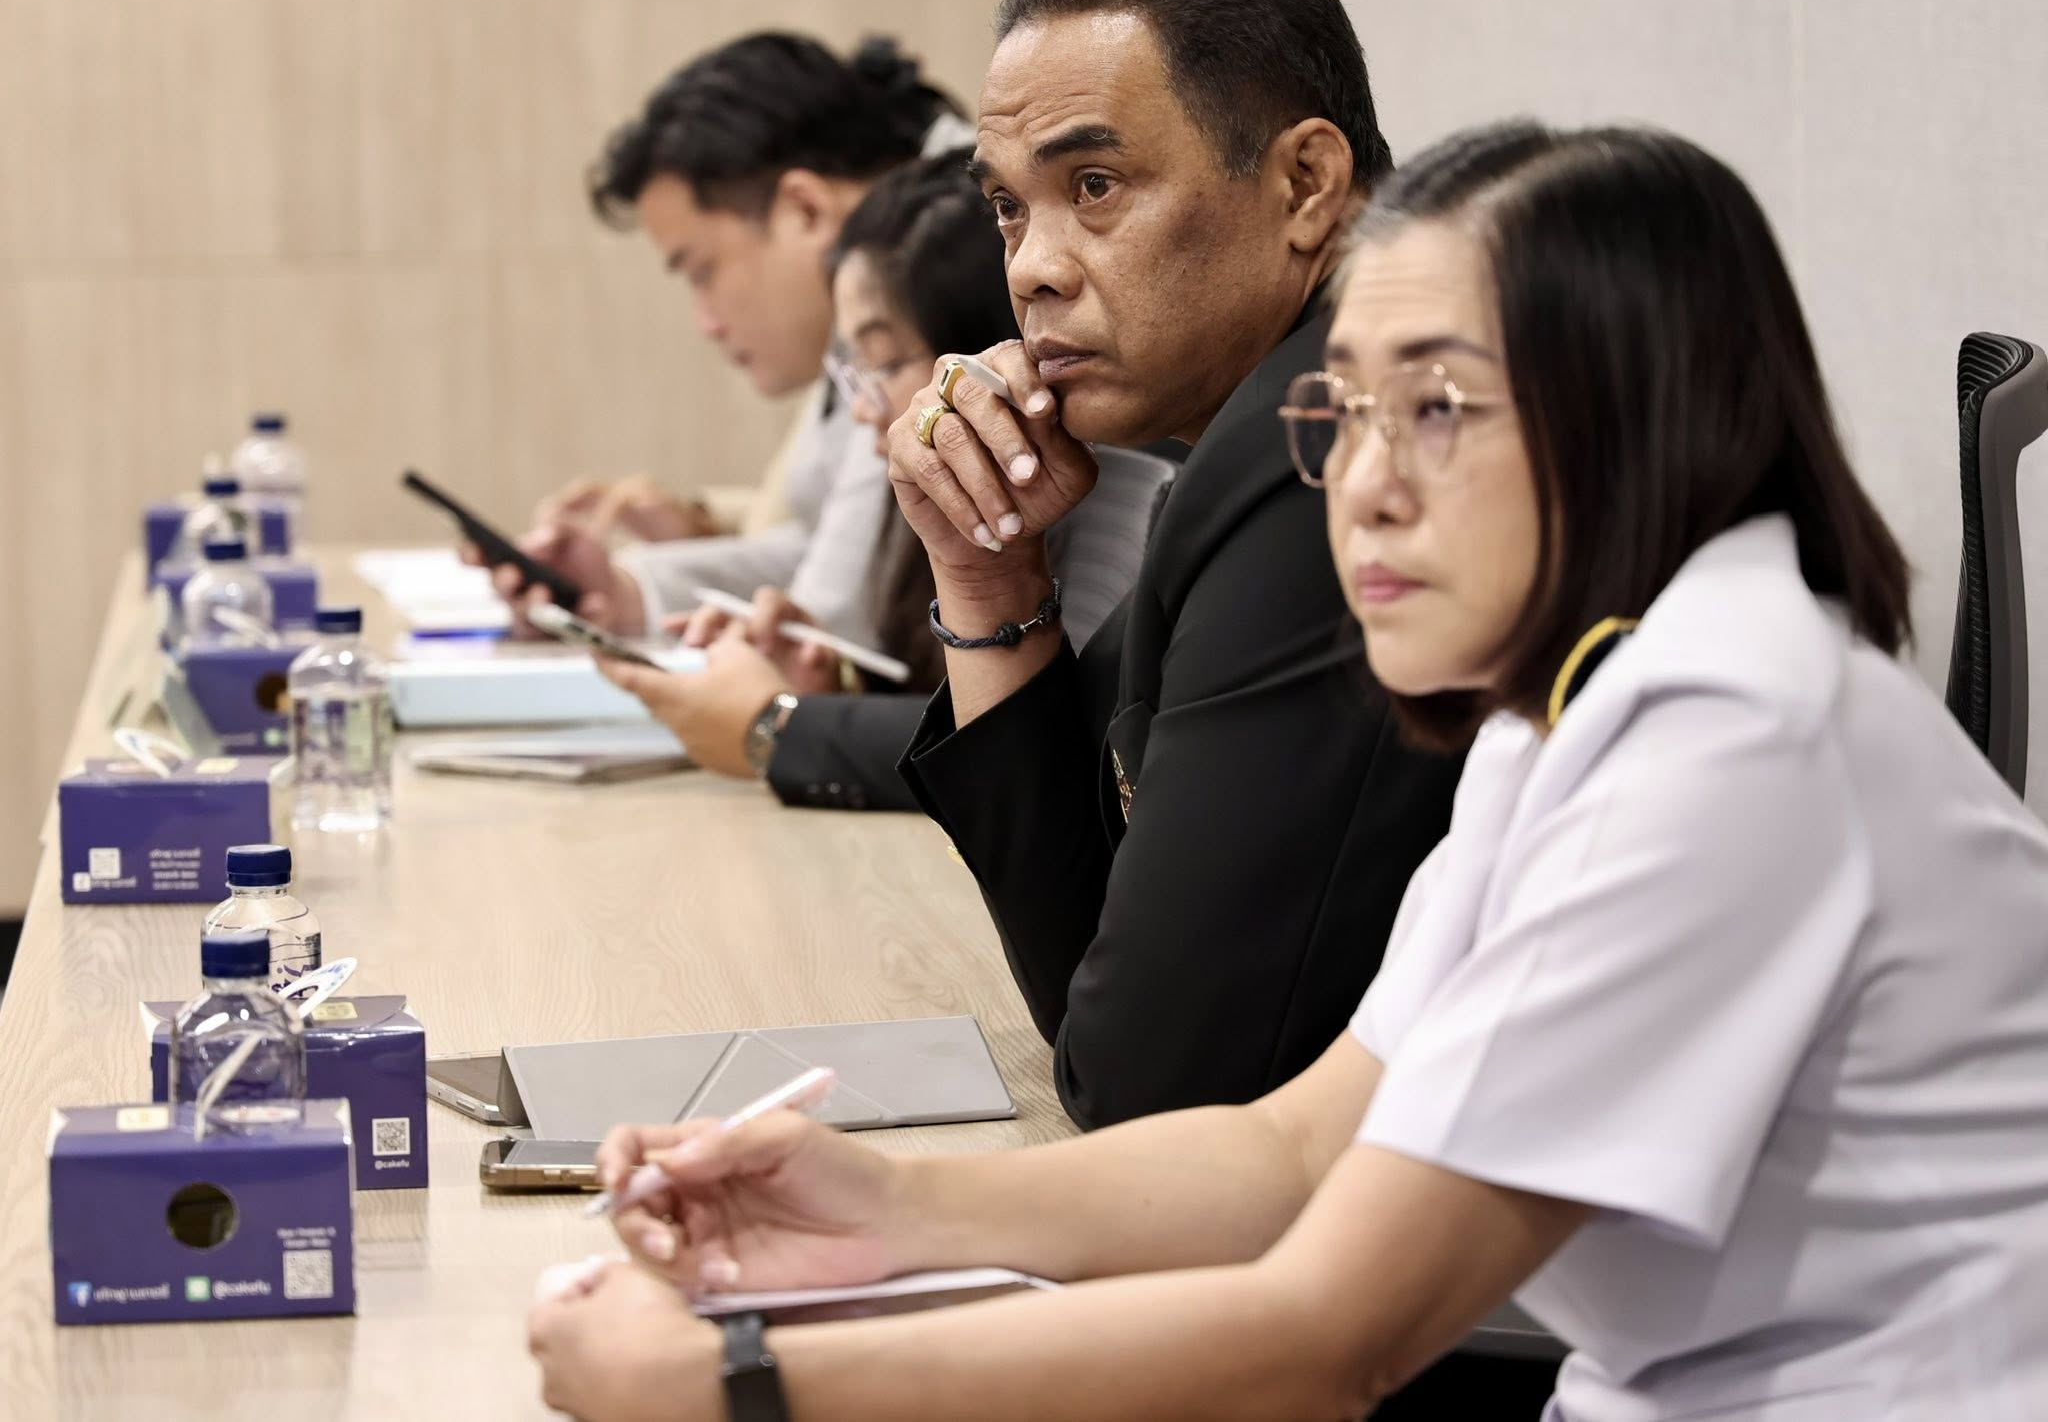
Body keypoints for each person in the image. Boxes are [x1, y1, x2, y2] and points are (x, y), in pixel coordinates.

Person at [530, 119, 2048, 1422]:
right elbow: (1298, 1148)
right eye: (1347, 413)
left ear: (1638, 421)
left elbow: (1328, 1338)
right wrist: (882, 1205)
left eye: (1436, 409)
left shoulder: (1727, 740)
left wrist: (738, 1382)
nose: (1365, 486)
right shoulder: (1569, 706)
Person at [884, 0, 1461, 1128]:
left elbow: (1143, 1077)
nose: (1030, 268)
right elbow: (1089, 969)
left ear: (1305, 184)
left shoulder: (1335, 445)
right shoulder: (1267, 425)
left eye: (1093, 187)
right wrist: (986, 578)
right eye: (1008, 209)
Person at [600, 151, 1177, 802]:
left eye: (888, 362)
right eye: (855, 370)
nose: (863, 408)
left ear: (997, 352)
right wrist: (836, 682)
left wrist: (783, 724)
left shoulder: (1127, 491)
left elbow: (1076, 755)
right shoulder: (927, 497)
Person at [476, 32, 969, 644]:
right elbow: (825, 553)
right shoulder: (887, 260)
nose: (705, 323)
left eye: (702, 271)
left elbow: (840, 615)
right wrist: (627, 594)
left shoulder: (950, 260)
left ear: (805, 211)